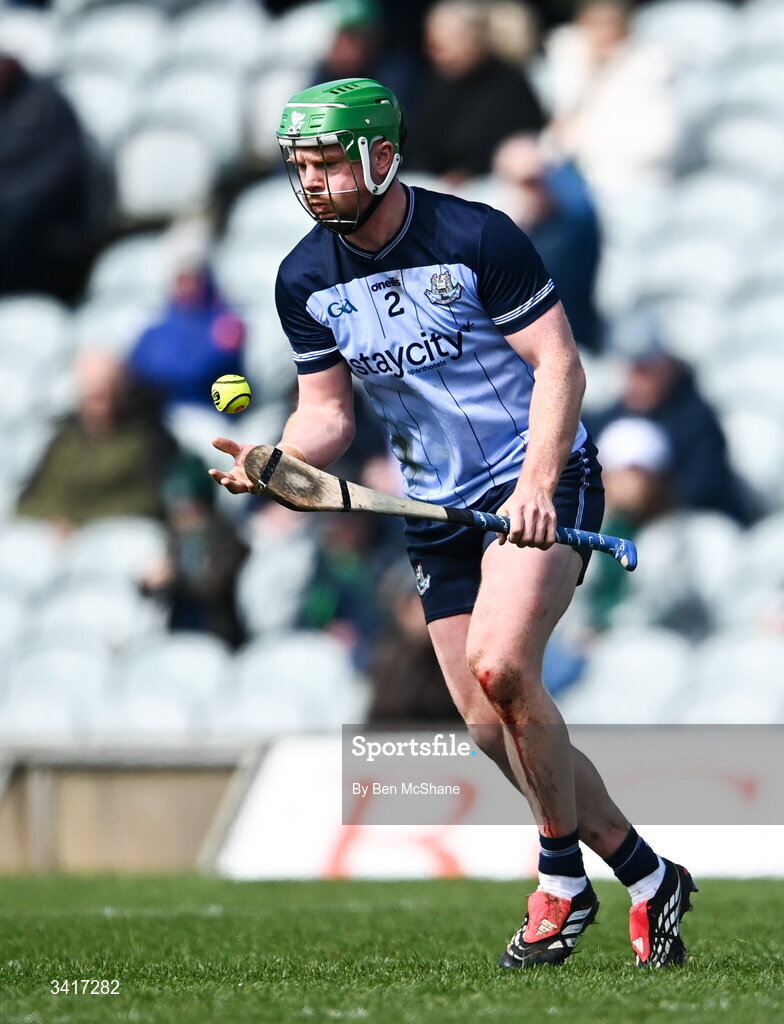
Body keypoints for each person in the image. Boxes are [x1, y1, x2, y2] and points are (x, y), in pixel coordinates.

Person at [210, 78, 697, 970]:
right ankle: (650, 874)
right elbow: (328, 415)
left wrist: (539, 485)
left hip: (538, 481)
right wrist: (275, 461)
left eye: (329, 160)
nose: (313, 180)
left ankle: (559, 884)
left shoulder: (476, 236)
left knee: (504, 666)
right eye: (302, 165)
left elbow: (561, 366)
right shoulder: (303, 277)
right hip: (434, 508)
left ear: (382, 156)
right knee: (485, 721)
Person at [589, 309, 755, 525]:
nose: (638, 378)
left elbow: (706, 486)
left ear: (667, 366)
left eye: (646, 369)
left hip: (692, 528)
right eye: (632, 369)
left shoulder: (697, 419)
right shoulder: (606, 419)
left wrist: (652, 495)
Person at [18, 350, 178, 530]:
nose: (102, 408)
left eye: (110, 395)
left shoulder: (149, 436)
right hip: (58, 535)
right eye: (94, 398)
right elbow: (32, 497)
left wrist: (79, 521)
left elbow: (151, 499)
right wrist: (56, 519)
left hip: (117, 531)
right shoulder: (63, 440)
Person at [404, 0, 545, 184]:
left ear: (474, 40)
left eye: (442, 46)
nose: (432, 53)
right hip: (436, 183)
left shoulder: (510, 84)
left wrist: (468, 173)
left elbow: (520, 143)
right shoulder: (436, 83)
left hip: (492, 185)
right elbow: (419, 145)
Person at [492, 133, 603, 353]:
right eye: (526, 184)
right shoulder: (492, 232)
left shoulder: (574, 229)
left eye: (537, 181)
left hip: (574, 346)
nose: (534, 191)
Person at [128, 263, 246, 414]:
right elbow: (139, 366)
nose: (187, 287)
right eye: (181, 280)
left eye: (193, 279)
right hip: (168, 411)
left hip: (216, 410)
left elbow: (198, 375)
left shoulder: (227, 322)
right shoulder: (156, 327)